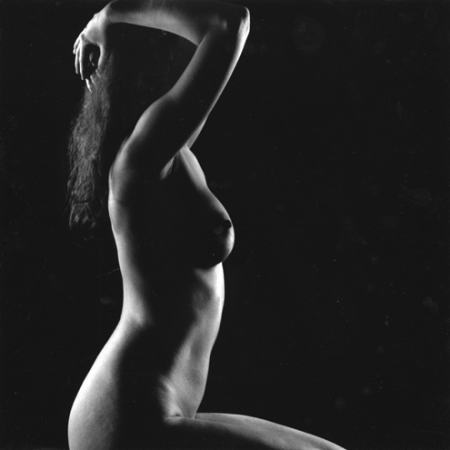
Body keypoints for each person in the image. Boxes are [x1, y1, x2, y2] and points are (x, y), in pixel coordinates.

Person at [68, 1, 345, 449]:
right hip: (132, 418)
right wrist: (109, 15)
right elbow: (231, 22)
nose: (189, 53)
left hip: (150, 408)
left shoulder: (167, 151)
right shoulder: (143, 154)